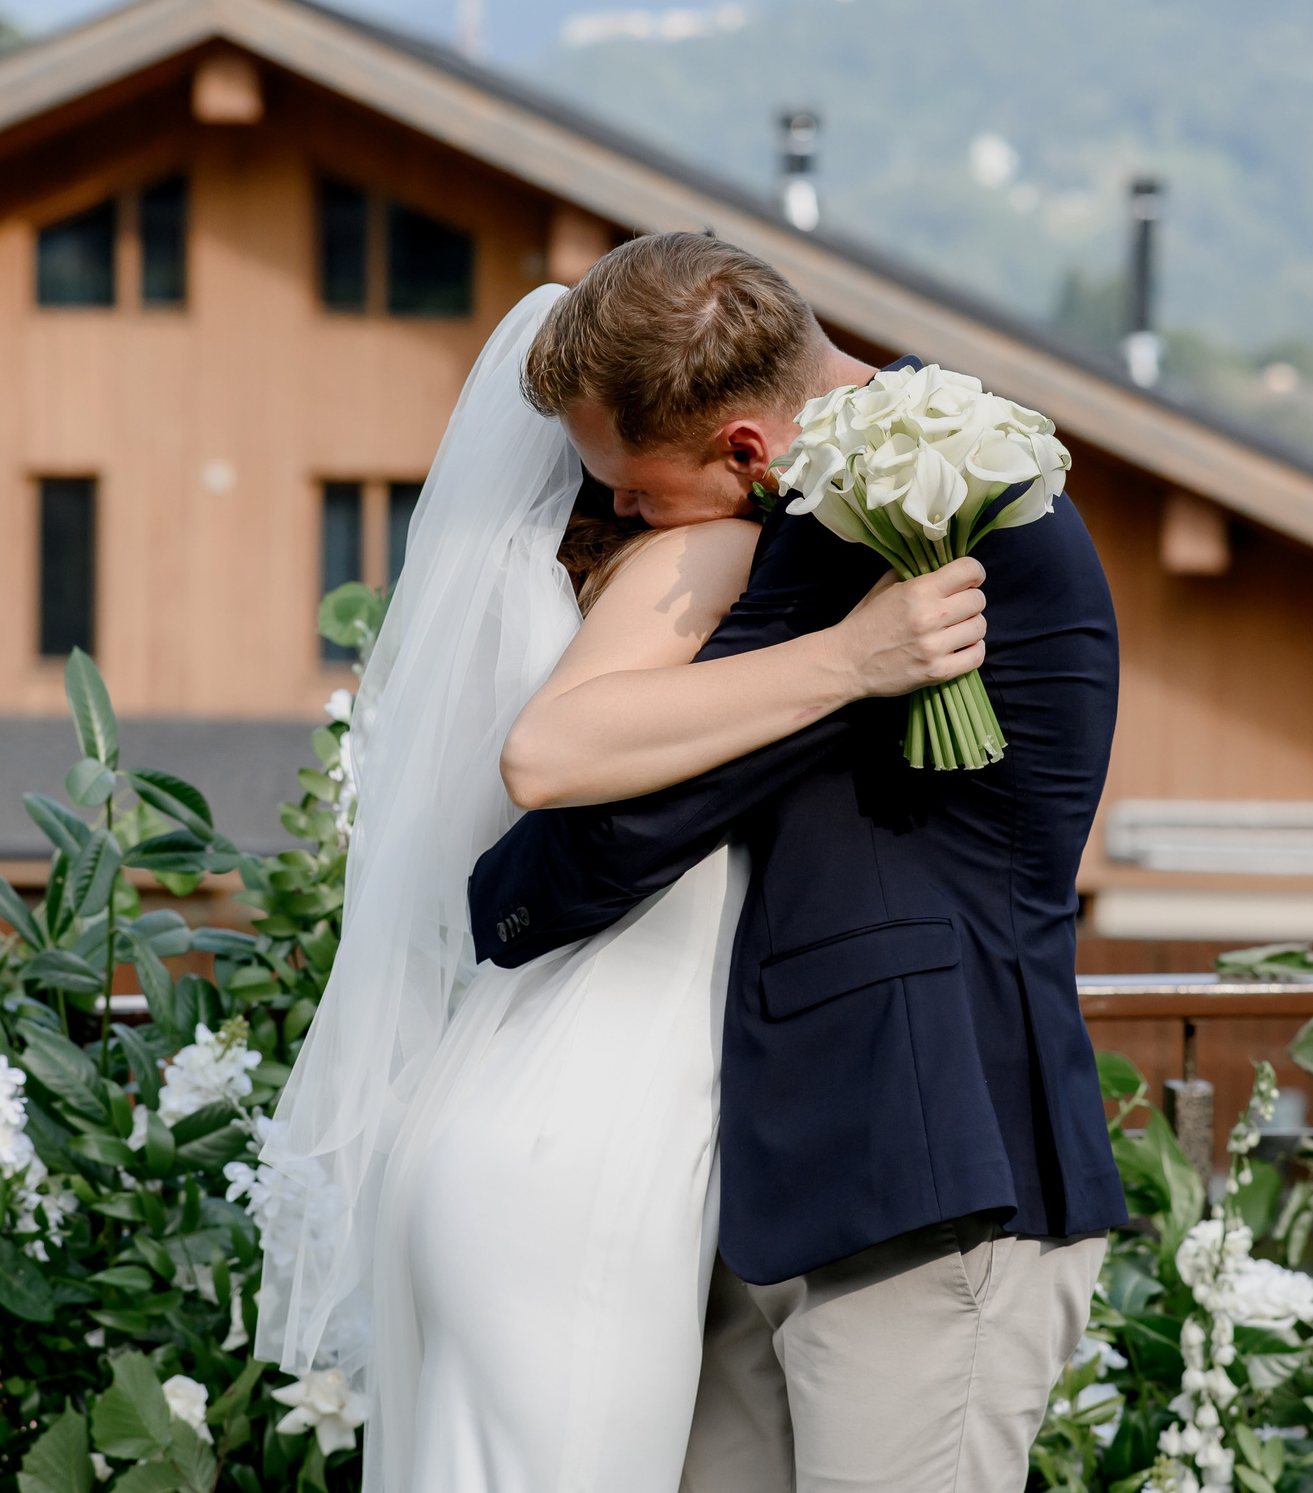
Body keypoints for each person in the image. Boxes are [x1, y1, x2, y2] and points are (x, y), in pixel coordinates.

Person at [246, 258, 986, 1491]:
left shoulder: (584, 598)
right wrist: (858, 658)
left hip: (491, 1112)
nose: (634, 505)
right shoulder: (709, 561)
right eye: (618, 486)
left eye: (633, 477)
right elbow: (543, 755)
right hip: (582, 1148)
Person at [468, 233, 1127, 1493]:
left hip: (934, 1176)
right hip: (807, 1183)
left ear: (745, 453)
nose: (615, 513)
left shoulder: (907, 522)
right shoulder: (861, 498)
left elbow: (592, 815)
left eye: (632, 488)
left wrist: (497, 900)